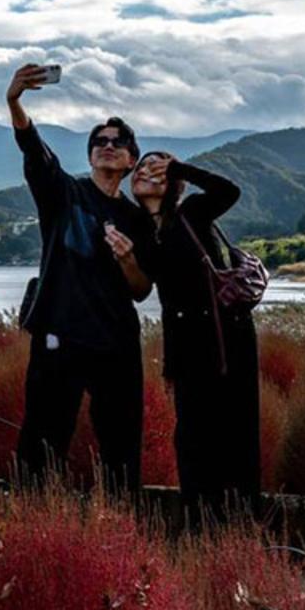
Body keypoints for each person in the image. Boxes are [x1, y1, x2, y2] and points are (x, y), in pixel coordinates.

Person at [4, 65, 154, 493]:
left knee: (121, 448)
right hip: (58, 338)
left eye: (118, 142)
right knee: (41, 445)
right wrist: (14, 102)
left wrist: (127, 260)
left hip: (116, 344)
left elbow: (142, 290)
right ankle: (30, 532)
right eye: (99, 142)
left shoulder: (137, 219)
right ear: (90, 155)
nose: (107, 147)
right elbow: (35, 151)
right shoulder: (63, 194)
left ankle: (119, 533)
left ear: (130, 160)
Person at [131, 152, 259, 521]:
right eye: (141, 166)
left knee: (235, 437)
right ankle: (200, 528)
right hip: (186, 347)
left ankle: (241, 527)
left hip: (226, 340)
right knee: (191, 440)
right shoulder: (140, 230)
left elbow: (229, 191)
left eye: (157, 166)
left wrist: (182, 168)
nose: (147, 171)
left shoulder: (192, 213)